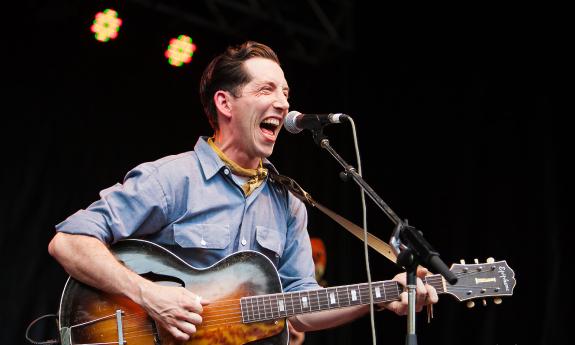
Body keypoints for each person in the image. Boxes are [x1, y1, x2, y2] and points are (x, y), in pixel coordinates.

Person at [48, 40, 438, 342]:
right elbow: (68, 243)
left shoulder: (288, 205)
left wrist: (382, 294)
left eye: (286, 92)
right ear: (225, 103)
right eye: (267, 89)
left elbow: (300, 308)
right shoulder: (171, 179)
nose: (283, 103)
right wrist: (150, 295)